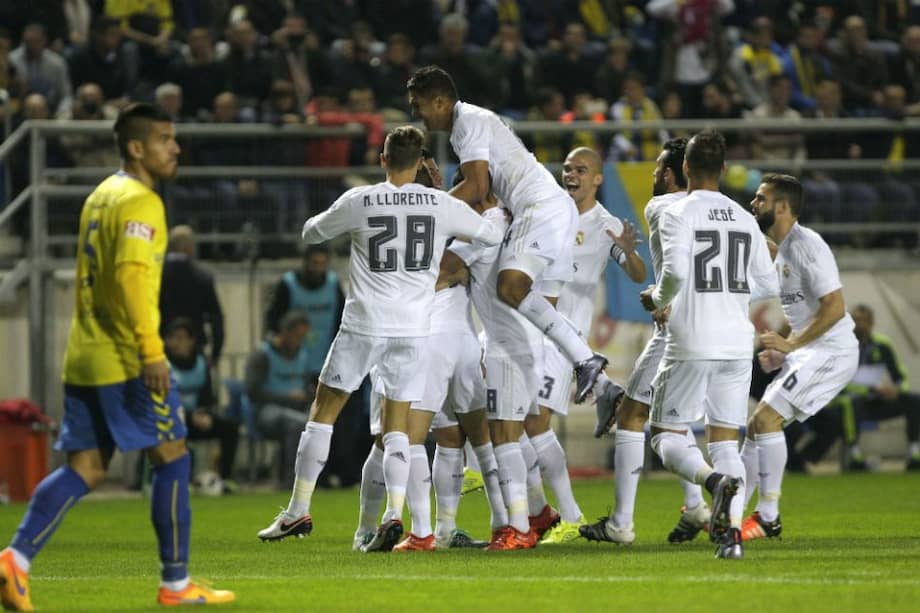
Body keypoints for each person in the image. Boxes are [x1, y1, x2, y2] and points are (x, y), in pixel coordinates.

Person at [0, 103, 234, 611]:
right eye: (165, 139)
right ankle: (176, 584)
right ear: (136, 147)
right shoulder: (141, 201)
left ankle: (14, 560)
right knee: (172, 455)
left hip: (83, 354)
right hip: (126, 359)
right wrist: (151, 351)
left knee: (86, 466)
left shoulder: (101, 194)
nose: (175, 147)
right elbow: (130, 279)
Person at [255, 126, 503, 550]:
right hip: (413, 329)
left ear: (383, 159)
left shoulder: (361, 199)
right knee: (398, 429)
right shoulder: (441, 204)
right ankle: (393, 513)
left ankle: (297, 509)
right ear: (422, 159)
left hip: (364, 323)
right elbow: (491, 235)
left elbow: (311, 232)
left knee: (323, 411)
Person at [407, 65, 612, 408]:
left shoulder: (467, 122)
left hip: (540, 208)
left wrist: (423, 209)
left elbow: (477, 186)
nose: (416, 113)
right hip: (553, 210)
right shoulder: (471, 123)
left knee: (510, 287)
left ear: (440, 101)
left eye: (418, 104)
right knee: (538, 306)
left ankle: (586, 361)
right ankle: (604, 386)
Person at [639, 131, 778, 560]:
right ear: (722, 170)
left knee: (664, 437)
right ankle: (732, 537)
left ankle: (713, 483)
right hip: (737, 343)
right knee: (723, 443)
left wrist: (657, 298)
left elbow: (677, 272)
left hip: (691, 339)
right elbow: (768, 283)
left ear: (684, 169)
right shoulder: (742, 216)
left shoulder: (674, 211)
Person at [580, 137, 712, 546]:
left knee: (631, 415)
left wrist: (662, 298)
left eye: (657, 169)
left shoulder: (662, 207)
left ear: (671, 175)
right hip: (719, 330)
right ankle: (696, 508)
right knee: (673, 418)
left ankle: (621, 523)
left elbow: (674, 266)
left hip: (678, 330)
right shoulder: (720, 210)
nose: (653, 175)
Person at [529, 147, 645, 545]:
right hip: (528, 329)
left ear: (598, 179)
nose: (571, 174)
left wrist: (629, 252)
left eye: (581, 169)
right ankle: (539, 514)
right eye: (566, 169)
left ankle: (564, 516)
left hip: (566, 341)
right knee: (516, 422)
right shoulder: (546, 211)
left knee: (534, 422)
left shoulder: (605, 224)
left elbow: (637, 273)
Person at [742, 174, 859, 542]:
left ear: (781, 206)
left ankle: (768, 516)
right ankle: (729, 511)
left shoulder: (807, 244)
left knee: (766, 419)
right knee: (755, 427)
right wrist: (784, 350)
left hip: (832, 351)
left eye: (761, 198)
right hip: (811, 350)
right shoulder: (782, 250)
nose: (754, 203)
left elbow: (835, 308)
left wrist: (793, 346)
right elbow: (806, 314)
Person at [838, 305, 920, 471]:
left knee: (913, 400)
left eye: (864, 320)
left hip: (879, 400)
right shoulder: (842, 347)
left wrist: (897, 390)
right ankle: (855, 456)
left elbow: (899, 375)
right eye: (856, 321)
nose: (860, 325)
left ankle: (914, 452)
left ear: (871, 323)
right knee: (851, 402)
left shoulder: (883, 344)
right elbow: (840, 382)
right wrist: (870, 391)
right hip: (855, 400)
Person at [163, 318, 239, 490]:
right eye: (173, 338)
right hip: (171, 420)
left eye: (182, 338)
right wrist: (190, 417)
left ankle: (225, 478)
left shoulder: (200, 364)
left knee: (230, 428)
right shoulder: (163, 365)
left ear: (191, 341)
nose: (177, 343)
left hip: (196, 418)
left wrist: (204, 414)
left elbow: (207, 397)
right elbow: (163, 401)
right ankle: (180, 482)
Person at [244, 310, 313, 488]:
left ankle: (317, 478)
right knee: (296, 423)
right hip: (267, 411)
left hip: (297, 409)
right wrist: (286, 398)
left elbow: (307, 386)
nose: (300, 341)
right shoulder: (262, 355)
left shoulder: (302, 354)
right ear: (285, 332)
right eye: (297, 336)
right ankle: (290, 480)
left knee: (319, 424)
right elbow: (252, 392)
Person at [264, 244, 344, 378]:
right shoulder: (288, 284)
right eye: (314, 263)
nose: (318, 268)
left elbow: (342, 318)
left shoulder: (333, 283)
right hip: (294, 364)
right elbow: (274, 320)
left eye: (322, 263)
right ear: (306, 262)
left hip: (326, 362)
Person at [158, 225, 224, 365]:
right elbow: (216, 319)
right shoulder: (203, 277)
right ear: (190, 247)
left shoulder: (155, 276)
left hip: (161, 352)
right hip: (195, 352)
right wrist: (215, 354)